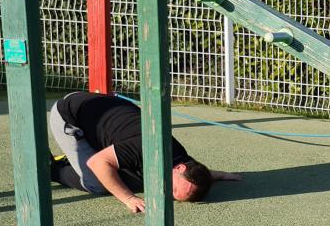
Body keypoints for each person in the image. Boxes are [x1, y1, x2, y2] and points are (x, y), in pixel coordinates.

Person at [49, 91, 239, 214]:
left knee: (129, 176)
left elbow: (196, 171)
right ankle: (52, 168)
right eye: (173, 189)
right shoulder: (145, 147)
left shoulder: (180, 158)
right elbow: (97, 163)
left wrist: (217, 175)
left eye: (173, 195)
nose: (167, 192)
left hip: (99, 108)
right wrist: (128, 198)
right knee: (97, 183)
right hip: (70, 116)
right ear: (179, 168)